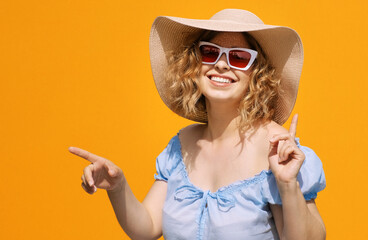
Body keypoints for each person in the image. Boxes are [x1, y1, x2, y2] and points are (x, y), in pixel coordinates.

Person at [69, 9, 326, 240]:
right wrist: (118, 187)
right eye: (210, 52)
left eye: (238, 57)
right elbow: (146, 228)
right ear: (195, 63)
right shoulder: (182, 144)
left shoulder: (276, 148)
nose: (222, 64)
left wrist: (287, 185)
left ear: (257, 73)